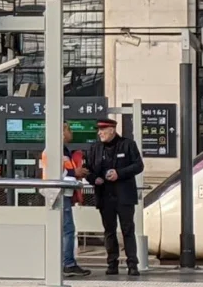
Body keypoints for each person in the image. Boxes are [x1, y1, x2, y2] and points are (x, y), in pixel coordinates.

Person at [84, 117, 145, 276]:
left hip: (124, 196)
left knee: (128, 230)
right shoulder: (95, 148)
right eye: (99, 130)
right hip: (104, 196)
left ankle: (132, 264)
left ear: (112, 130)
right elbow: (87, 169)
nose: (100, 133)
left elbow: (138, 165)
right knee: (109, 231)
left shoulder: (128, 144)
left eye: (103, 130)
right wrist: (93, 179)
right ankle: (112, 263)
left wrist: (119, 173)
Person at [40, 123, 91, 277]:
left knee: (65, 229)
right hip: (58, 194)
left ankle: (64, 262)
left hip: (62, 194)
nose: (71, 133)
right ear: (61, 133)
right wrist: (75, 172)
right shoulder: (54, 150)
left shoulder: (62, 150)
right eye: (69, 130)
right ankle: (68, 263)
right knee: (67, 229)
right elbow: (56, 172)